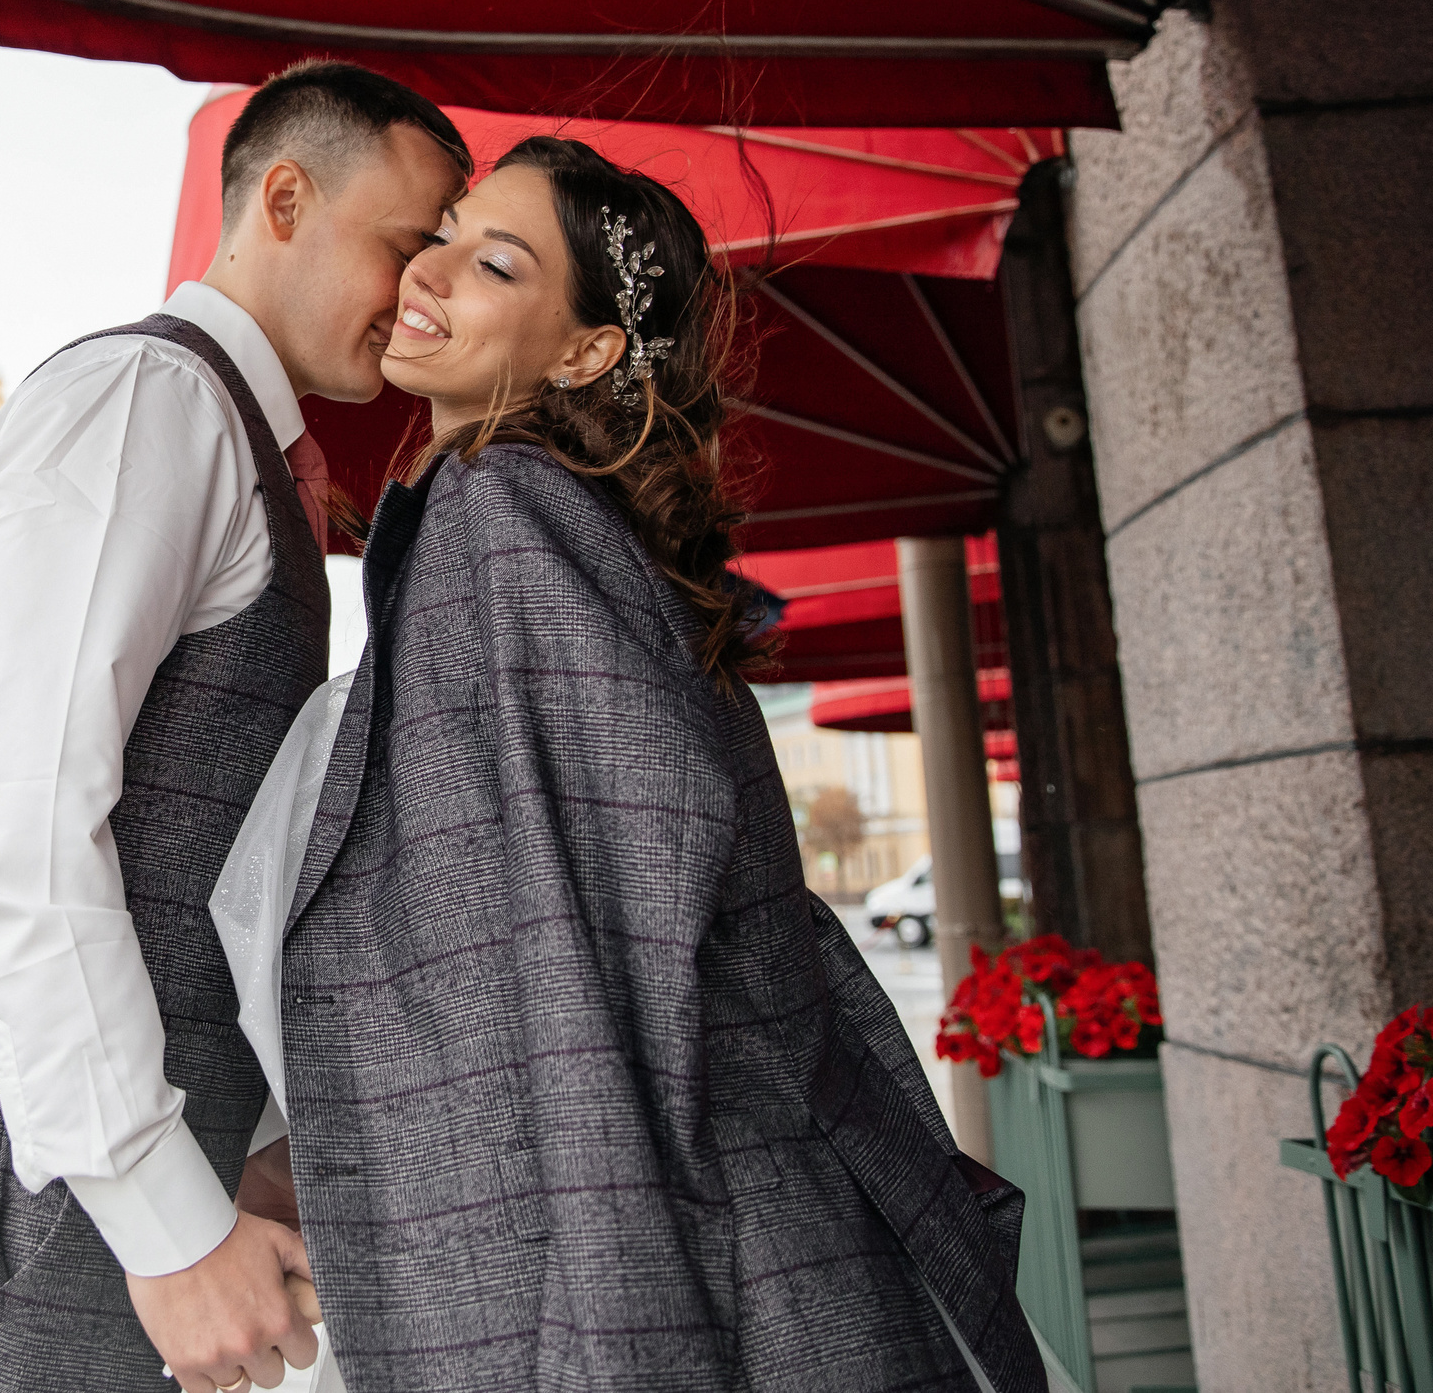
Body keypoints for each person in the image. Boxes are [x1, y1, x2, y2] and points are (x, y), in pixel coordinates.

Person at [212, 136, 1046, 1392]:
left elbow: (587, 955)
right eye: (437, 234)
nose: (427, 270)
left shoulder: (508, 515)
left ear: (586, 350)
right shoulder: (528, 520)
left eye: (492, 262)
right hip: (746, 1239)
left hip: (687, 1276)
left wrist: (617, 1324)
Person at [0, 60, 471, 1392]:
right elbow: (14, 828)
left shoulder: (233, 431)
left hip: (109, 1162)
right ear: (284, 199)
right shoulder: (149, 399)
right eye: (408, 245)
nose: (423, 292)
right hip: (40, 1175)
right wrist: (165, 1218)